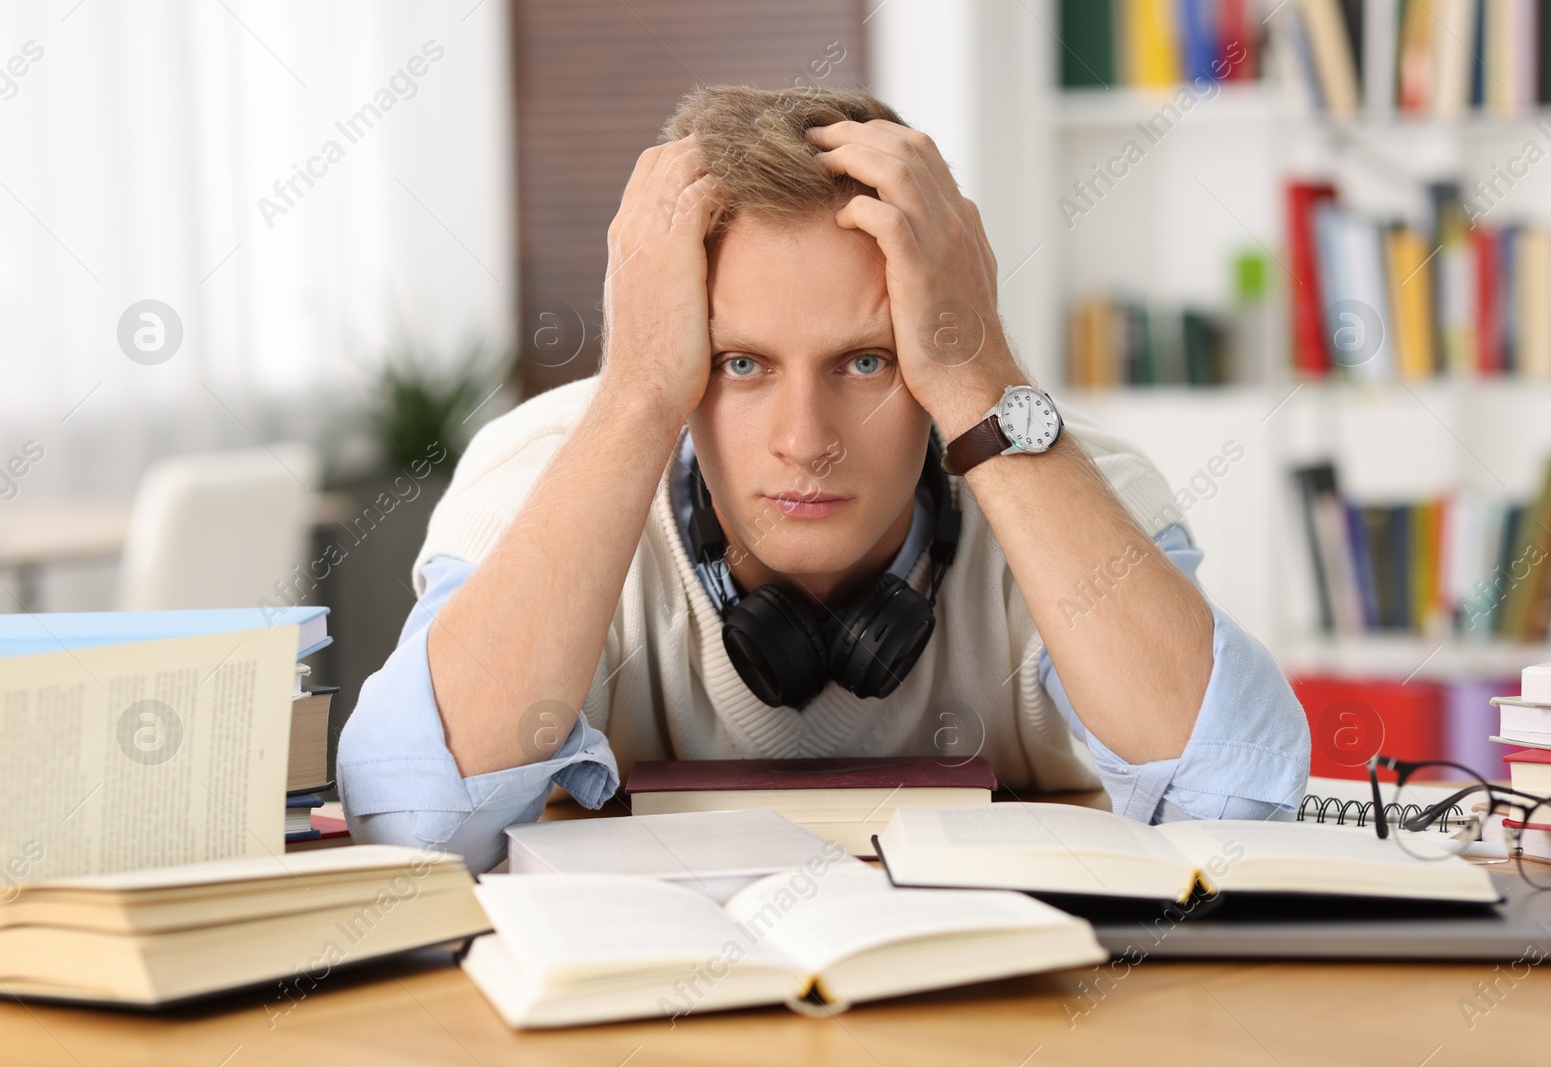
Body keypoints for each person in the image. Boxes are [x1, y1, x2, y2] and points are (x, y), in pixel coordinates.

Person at [336, 84, 1309, 872]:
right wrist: (635, 396)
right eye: (740, 363)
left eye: (865, 360)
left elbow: (1235, 804)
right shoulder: (538, 470)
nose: (806, 440)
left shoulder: (1063, 472)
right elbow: (417, 823)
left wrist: (984, 379)